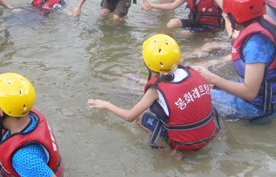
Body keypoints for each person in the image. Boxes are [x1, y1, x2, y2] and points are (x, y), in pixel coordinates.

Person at [88, 34, 219, 157]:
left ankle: (171, 153)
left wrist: (107, 105)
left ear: (148, 64)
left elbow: (129, 116)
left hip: (185, 144)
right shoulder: (192, 71)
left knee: (140, 117)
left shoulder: (154, 91)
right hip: (209, 134)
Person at [196, 0, 276, 122]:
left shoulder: (256, 45)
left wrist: (212, 78)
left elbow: (250, 93)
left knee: (194, 95)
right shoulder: (264, 24)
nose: (226, 17)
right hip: (270, 98)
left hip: (263, 108)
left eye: (228, 15)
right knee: (202, 87)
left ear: (235, 16)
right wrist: (214, 83)